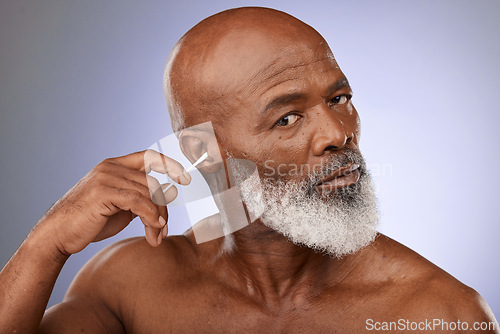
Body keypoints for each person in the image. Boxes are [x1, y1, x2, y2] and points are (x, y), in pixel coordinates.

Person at [0, 7, 497, 334]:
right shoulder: (131, 287)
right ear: (205, 155)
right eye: (287, 117)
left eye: (339, 98)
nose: (336, 133)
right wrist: (48, 244)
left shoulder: (440, 315)